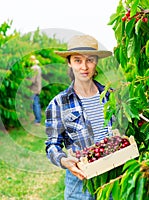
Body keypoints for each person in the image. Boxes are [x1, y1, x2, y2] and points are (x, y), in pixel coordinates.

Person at [45, 35, 113, 199]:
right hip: (80, 182)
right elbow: (52, 145)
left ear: (96, 62)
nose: (84, 66)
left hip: (113, 176)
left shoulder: (111, 97)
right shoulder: (59, 103)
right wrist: (63, 161)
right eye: (77, 60)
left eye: (90, 60)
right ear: (69, 62)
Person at [29, 55, 42, 125]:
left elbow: (32, 80)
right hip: (38, 88)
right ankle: (38, 118)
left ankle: (37, 120)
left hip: (33, 88)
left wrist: (26, 84)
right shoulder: (38, 68)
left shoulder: (33, 68)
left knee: (34, 104)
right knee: (36, 103)